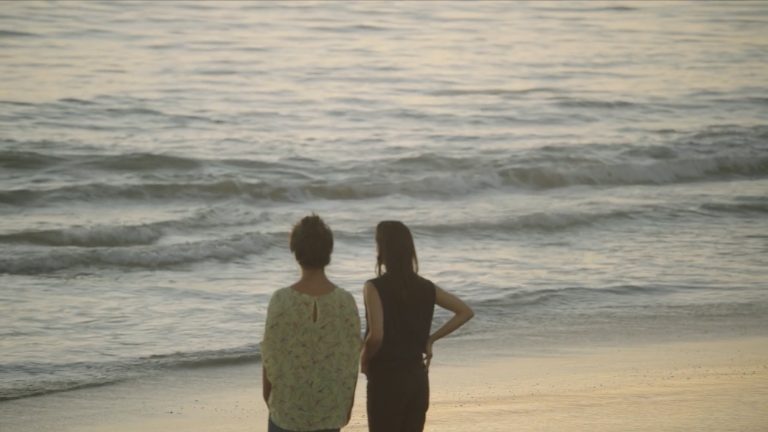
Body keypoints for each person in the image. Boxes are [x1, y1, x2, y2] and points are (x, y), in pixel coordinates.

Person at [361, 220, 474, 432]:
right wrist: (431, 339)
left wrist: (364, 360)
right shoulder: (426, 287)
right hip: (417, 378)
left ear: (383, 251)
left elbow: (376, 336)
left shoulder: (374, 287)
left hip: (386, 378)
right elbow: (465, 311)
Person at [261, 215, 361, 432]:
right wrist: (347, 403)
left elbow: (271, 354)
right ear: (328, 252)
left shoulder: (281, 300)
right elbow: (350, 359)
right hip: (330, 409)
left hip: (287, 410)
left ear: (295, 252)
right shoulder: (345, 301)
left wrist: (269, 398)